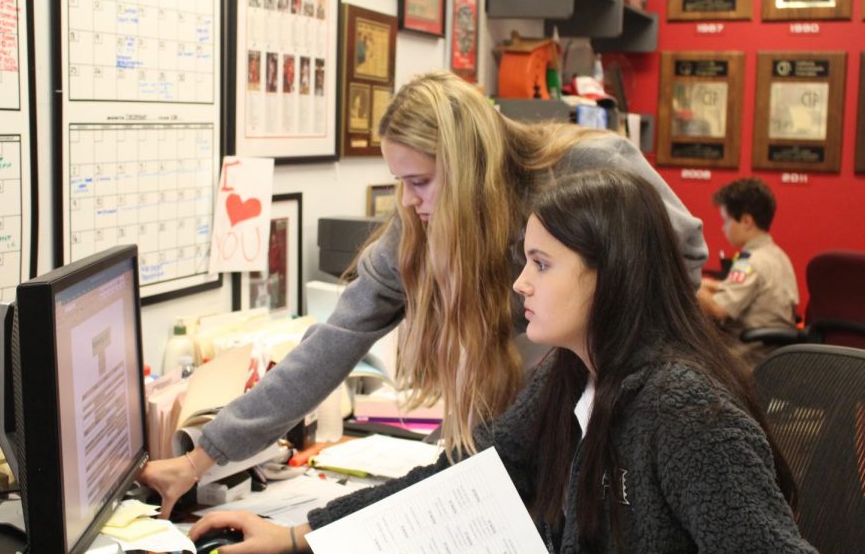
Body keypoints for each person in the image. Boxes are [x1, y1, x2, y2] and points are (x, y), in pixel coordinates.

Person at [139, 70, 708, 519]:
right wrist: (198, 458)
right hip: (513, 435)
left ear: (464, 168)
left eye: (420, 181)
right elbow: (333, 341)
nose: (408, 202)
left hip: (613, 419)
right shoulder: (416, 230)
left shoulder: (584, 170)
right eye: (399, 183)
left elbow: (684, 254)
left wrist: (591, 366)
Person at [187, 169, 812, 553]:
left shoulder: (687, 415)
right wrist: (303, 536)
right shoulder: (573, 376)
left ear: (609, 276)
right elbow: (463, 474)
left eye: (541, 264)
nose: (520, 285)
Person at [697, 177, 798, 368]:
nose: (723, 228)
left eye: (726, 221)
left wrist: (690, 283)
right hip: (772, 359)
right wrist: (709, 284)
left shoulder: (750, 262)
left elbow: (719, 310)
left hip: (745, 360)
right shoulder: (778, 256)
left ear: (746, 221)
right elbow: (746, 290)